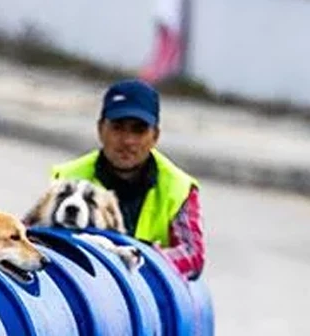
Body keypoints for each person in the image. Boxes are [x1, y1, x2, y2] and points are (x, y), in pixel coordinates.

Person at [49, 78, 205, 279]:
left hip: (150, 295)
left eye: (138, 129)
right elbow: (36, 237)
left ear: (155, 136)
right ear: (100, 129)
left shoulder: (179, 187)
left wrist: (134, 262)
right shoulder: (68, 178)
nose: (127, 140)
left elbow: (192, 256)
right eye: (118, 127)